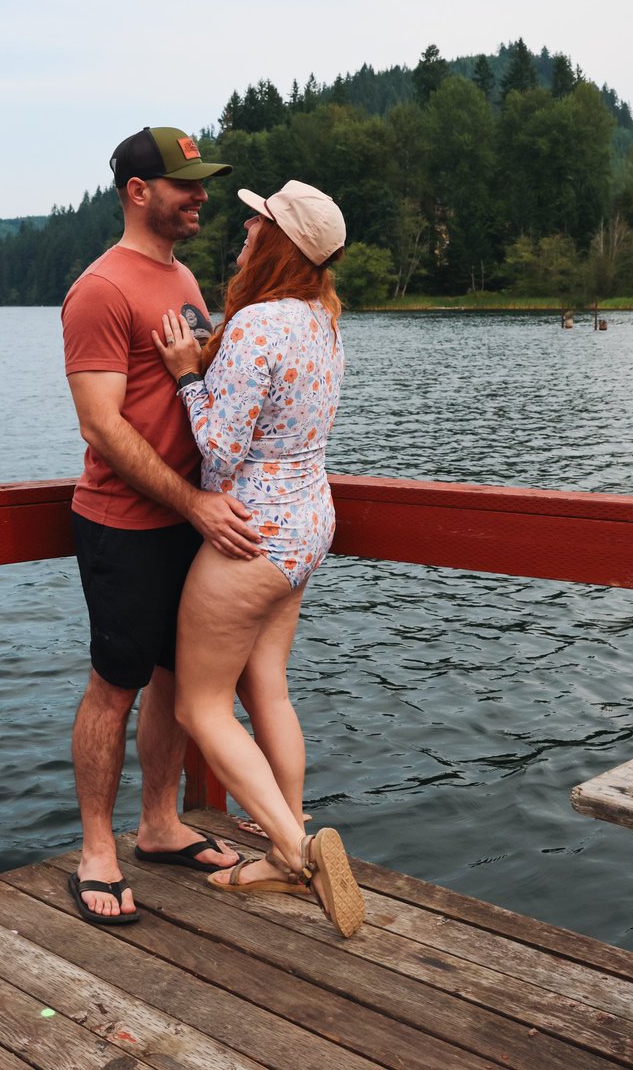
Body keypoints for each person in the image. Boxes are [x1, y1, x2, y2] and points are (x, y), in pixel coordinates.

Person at [151, 180, 364, 937]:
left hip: (250, 533)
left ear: (277, 243)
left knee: (198, 704)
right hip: (308, 524)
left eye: (258, 221)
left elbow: (217, 446)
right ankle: (289, 828)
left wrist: (184, 373)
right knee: (266, 682)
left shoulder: (259, 326)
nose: (244, 226)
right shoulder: (320, 319)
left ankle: (294, 846)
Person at [61, 126, 257, 925]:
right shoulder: (101, 290)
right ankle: (97, 850)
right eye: (186, 184)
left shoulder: (180, 279)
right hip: (126, 523)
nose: (201, 195)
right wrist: (194, 503)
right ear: (138, 192)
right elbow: (104, 426)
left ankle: (161, 825)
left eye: (203, 182)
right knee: (117, 685)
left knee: (181, 682)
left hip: (189, 519)